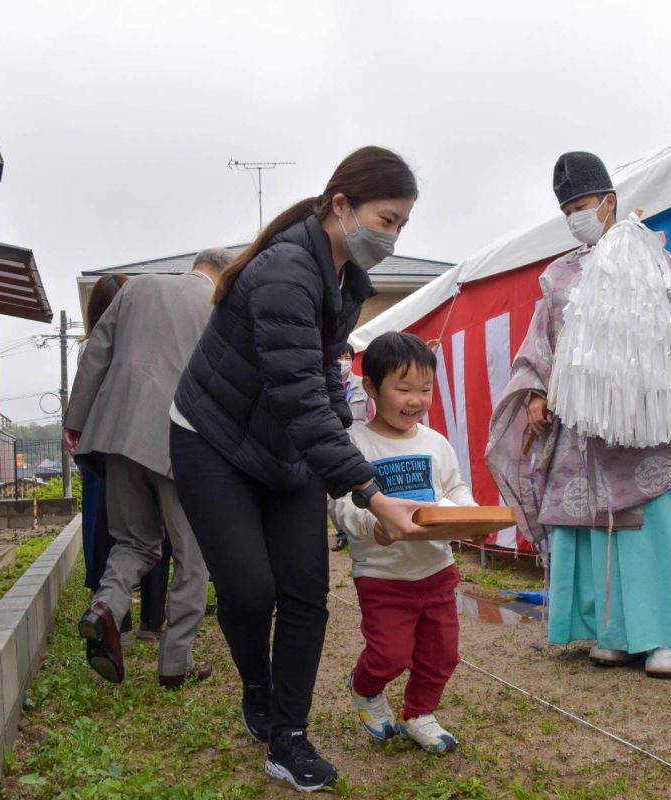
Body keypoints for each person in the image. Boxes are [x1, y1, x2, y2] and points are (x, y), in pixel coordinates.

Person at [169, 146, 429, 793]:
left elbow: (324, 388)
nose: (391, 237)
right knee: (250, 588)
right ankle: (256, 686)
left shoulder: (343, 283)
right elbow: (299, 395)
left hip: (284, 447)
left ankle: (289, 735)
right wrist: (368, 490)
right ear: (341, 206)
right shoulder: (287, 271)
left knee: (306, 590)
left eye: (401, 225)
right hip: (215, 441)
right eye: (386, 219)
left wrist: (348, 465)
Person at [486, 151, 671, 680]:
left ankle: (666, 635)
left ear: (609, 202)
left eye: (582, 203)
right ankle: (613, 633)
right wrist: (537, 391)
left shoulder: (652, 257)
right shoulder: (558, 274)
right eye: (566, 207)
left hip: (635, 422)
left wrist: (629, 391)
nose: (574, 214)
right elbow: (541, 339)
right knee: (583, 521)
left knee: (647, 526)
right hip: (578, 424)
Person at [65, 247, 232, 689]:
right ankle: (175, 662)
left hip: (117, 433)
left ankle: (105, 607)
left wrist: (75, 422)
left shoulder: (137, 286)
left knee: (134, 542)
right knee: (191, 557)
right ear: (223, 274)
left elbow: (97, 351)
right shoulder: (219, 307)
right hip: (183, 442)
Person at [328, 331, 473, 754]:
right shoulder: (354, 442)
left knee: (442, 655)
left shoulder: (436, 442)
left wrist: (468, 513)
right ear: (371, 386)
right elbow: (340, 502)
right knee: (390, 654)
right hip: (382, 575)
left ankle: (418, 714)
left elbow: (455, 488)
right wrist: (370, 526)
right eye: (403, 388)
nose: (416, 400)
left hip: (436, 569)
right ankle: (365, 687)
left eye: (425, 389)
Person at [78, 272, 172, 641]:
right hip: (149, 446)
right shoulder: (147, 345)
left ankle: (113, 614)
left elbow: (82, 404)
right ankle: (153, 617)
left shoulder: (93, 347)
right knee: (153, 532)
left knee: (109, 534)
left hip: (102, 452)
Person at [330, 344, 373, 551]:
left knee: (360, 485)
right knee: (332, 492)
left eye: (348, 356)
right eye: (340, 356)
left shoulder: (363, 386)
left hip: (359, 442)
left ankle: (362, 526)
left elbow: (370, 414)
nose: (344, 361)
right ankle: (341, 532)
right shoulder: (325, 385)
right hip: (332, 442)